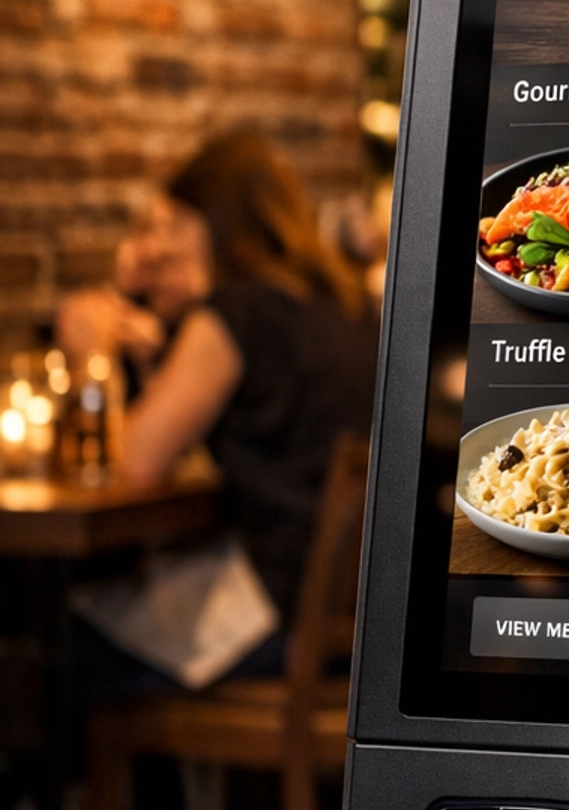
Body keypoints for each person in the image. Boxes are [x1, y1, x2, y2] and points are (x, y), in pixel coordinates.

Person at [57, 127, 377, 685]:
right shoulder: (344, 304)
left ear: (220, 225)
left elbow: (135, 464)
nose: (162, 246)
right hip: (355, 614)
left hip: (277, 612)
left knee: (56, 648)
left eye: (177, 226)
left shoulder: (237, 312)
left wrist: (93, 356)